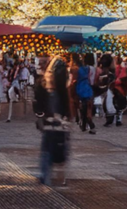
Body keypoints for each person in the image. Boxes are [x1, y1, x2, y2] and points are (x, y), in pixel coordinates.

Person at [34, 56, 71, 186]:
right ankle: (51, 177)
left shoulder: (58, 91)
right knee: (51, 150)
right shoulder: (49, 88)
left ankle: (52, 177)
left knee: (53, 150)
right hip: (53, 125)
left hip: (56, 125)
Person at [72, 53, 96, 134]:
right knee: (87, 107)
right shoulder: (88, 68)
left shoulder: (76, 69)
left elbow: (74, 80)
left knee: (83, 108)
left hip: (80, 89)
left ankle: (87, 125)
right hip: (87, 88)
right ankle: (87, 125)